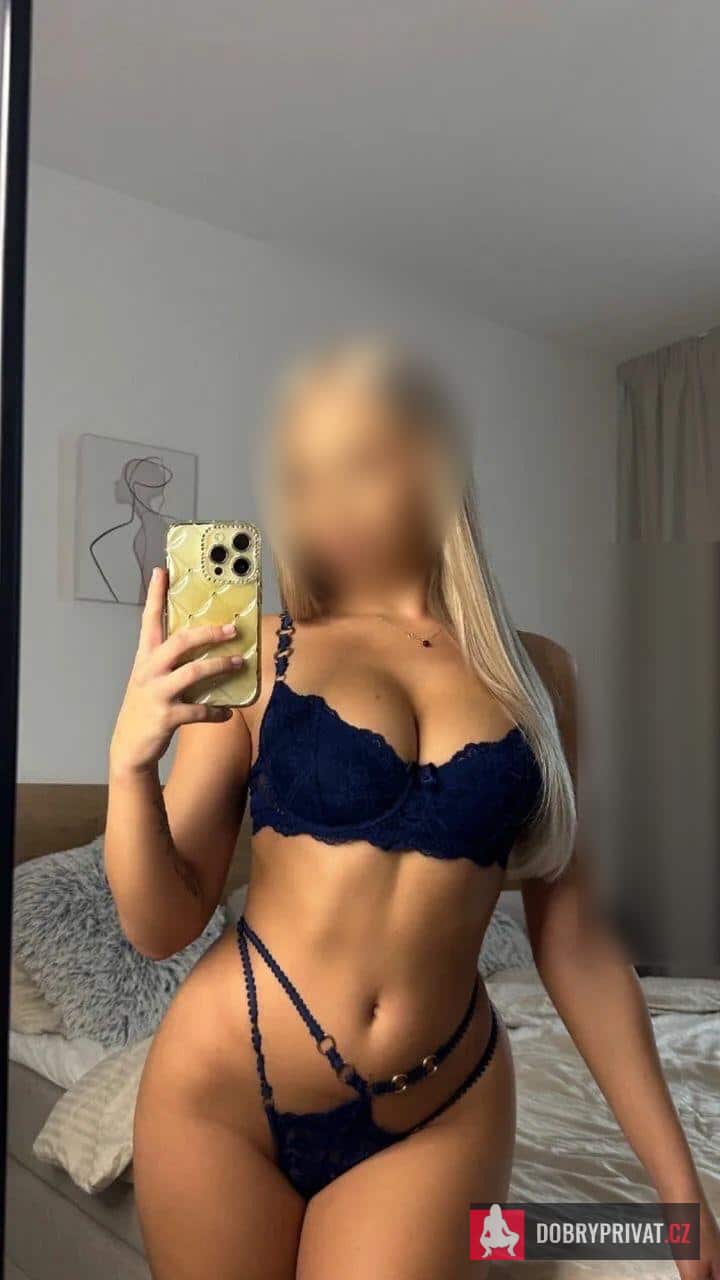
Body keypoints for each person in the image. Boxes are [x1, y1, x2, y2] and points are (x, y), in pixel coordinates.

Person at [105, 340, 719, 1280]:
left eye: (360, 463)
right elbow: (160, 925)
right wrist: (129, 765)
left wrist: (679, 1189)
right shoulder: (255, 650)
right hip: (225, 1093)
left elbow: (576, 941)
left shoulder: (541, 673)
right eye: (305, 476)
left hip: (440, 1106)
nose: (330, 502)